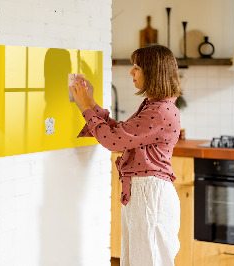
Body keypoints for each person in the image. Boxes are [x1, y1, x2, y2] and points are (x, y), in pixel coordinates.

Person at [70, 44, 182, 266]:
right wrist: (91, 103)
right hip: (145, 193)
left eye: (137, 67)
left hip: (150, 195)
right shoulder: (155, 106)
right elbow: (121, 133)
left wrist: (85, 107)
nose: (131, 72)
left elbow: (113, 141)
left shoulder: (159, 111)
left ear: (153, 72)